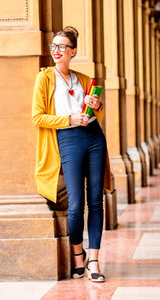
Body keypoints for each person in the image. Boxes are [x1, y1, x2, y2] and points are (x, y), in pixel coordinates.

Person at [32, 26, 111, 282]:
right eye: (53, 46)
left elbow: (96, 111)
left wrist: (96, 105)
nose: (56, 51)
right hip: (67, 138)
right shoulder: (44, 79)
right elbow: (37, 116)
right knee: (76, 205)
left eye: (62, 47)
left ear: (72, 51)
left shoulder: (85, 79)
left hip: (94, 137)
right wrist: (69, 119)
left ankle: (95, 259)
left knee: (95, 201)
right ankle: (79, 255)